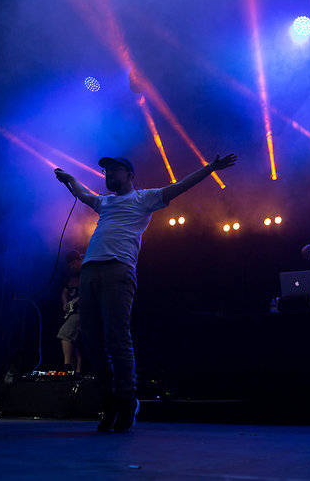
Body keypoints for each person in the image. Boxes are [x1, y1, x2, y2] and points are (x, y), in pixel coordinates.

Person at [54, 153, 237, 432]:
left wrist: (210, 168)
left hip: (118, 269)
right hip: (90, 270)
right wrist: (70, 179)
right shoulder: (105, 202)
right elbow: (83, 194)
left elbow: (181, 186)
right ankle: (108, 401)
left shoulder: (144, 198)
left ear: (129, 175)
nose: (109, 174)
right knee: (91, 341)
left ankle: (127, 400)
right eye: (106, 171)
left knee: (117, 338)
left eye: (114, 170)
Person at [57, 250, 83, 373]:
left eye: (73, 263)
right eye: (69, 265)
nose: (72, 267)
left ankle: (67, 365)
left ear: (80, 260)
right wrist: (65, 303)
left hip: (82, 311)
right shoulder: (70, 277)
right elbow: (64, 292)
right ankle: (77, 371)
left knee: (65, 333)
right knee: (75, 342)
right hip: (72, 312)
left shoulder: (87, 272)